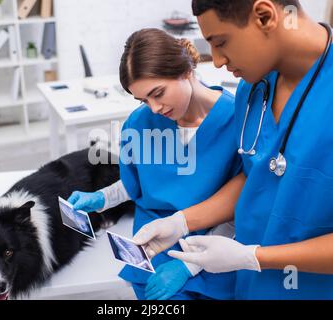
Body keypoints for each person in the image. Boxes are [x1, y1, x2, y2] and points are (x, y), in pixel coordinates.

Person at [135, 0, 333, 300]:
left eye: (221, 43)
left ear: (264, 16)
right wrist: (180, 223)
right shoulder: (253, 87)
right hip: (253, 289)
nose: (216, 61)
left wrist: (255, 257)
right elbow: (255, 176)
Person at [68, 28, 242, 300]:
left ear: (185, 71)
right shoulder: (140, 123)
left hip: (216, 245)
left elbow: (238, 207)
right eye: (143, 100)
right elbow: (140, 182)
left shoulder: (237, 121)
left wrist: (189, 264)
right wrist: (101, 198)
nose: (155, 108)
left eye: (158, 93)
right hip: (152, 246)